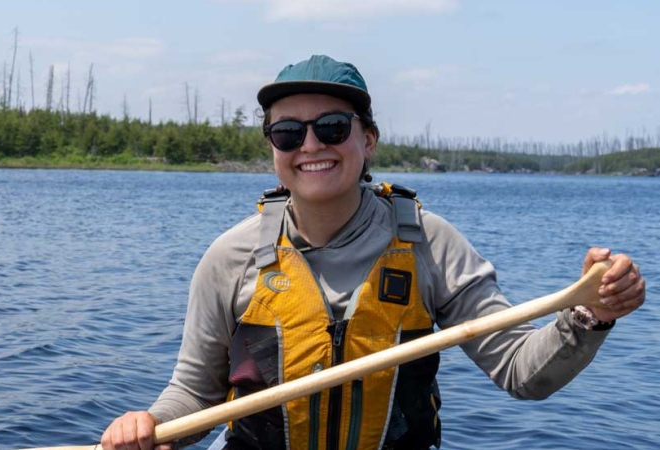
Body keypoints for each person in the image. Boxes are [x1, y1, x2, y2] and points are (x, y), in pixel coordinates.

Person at [100, 55, 646, 450]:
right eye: (288, 133)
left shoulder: (428, 244)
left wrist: (588, 315)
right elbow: (193, 396)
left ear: (369, 140)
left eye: (332, 127)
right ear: (273, 148)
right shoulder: (230, 257)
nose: (310, 146)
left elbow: (524, 375)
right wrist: (148, 426)